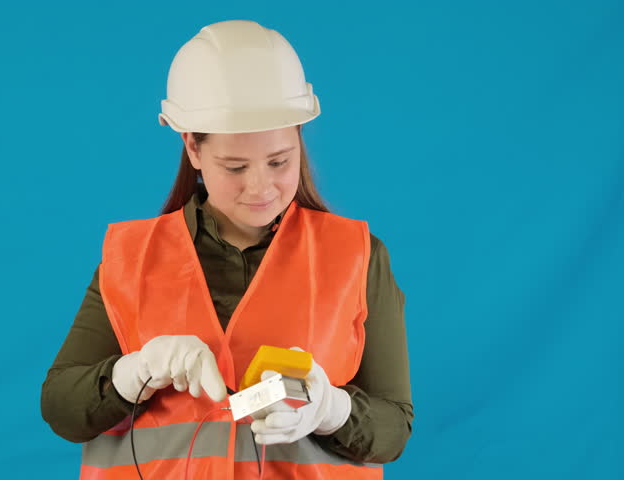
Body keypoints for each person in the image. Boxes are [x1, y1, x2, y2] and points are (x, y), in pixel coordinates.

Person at [41, 20, 413, 479]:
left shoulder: (356, 255)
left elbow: (393, 429)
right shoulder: (132, 259)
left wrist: (331, 410)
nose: (261, 187)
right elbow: (62, 408)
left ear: (299, 138)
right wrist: (135, 372)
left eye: (279, 161)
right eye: (235, 167)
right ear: (193, 148)